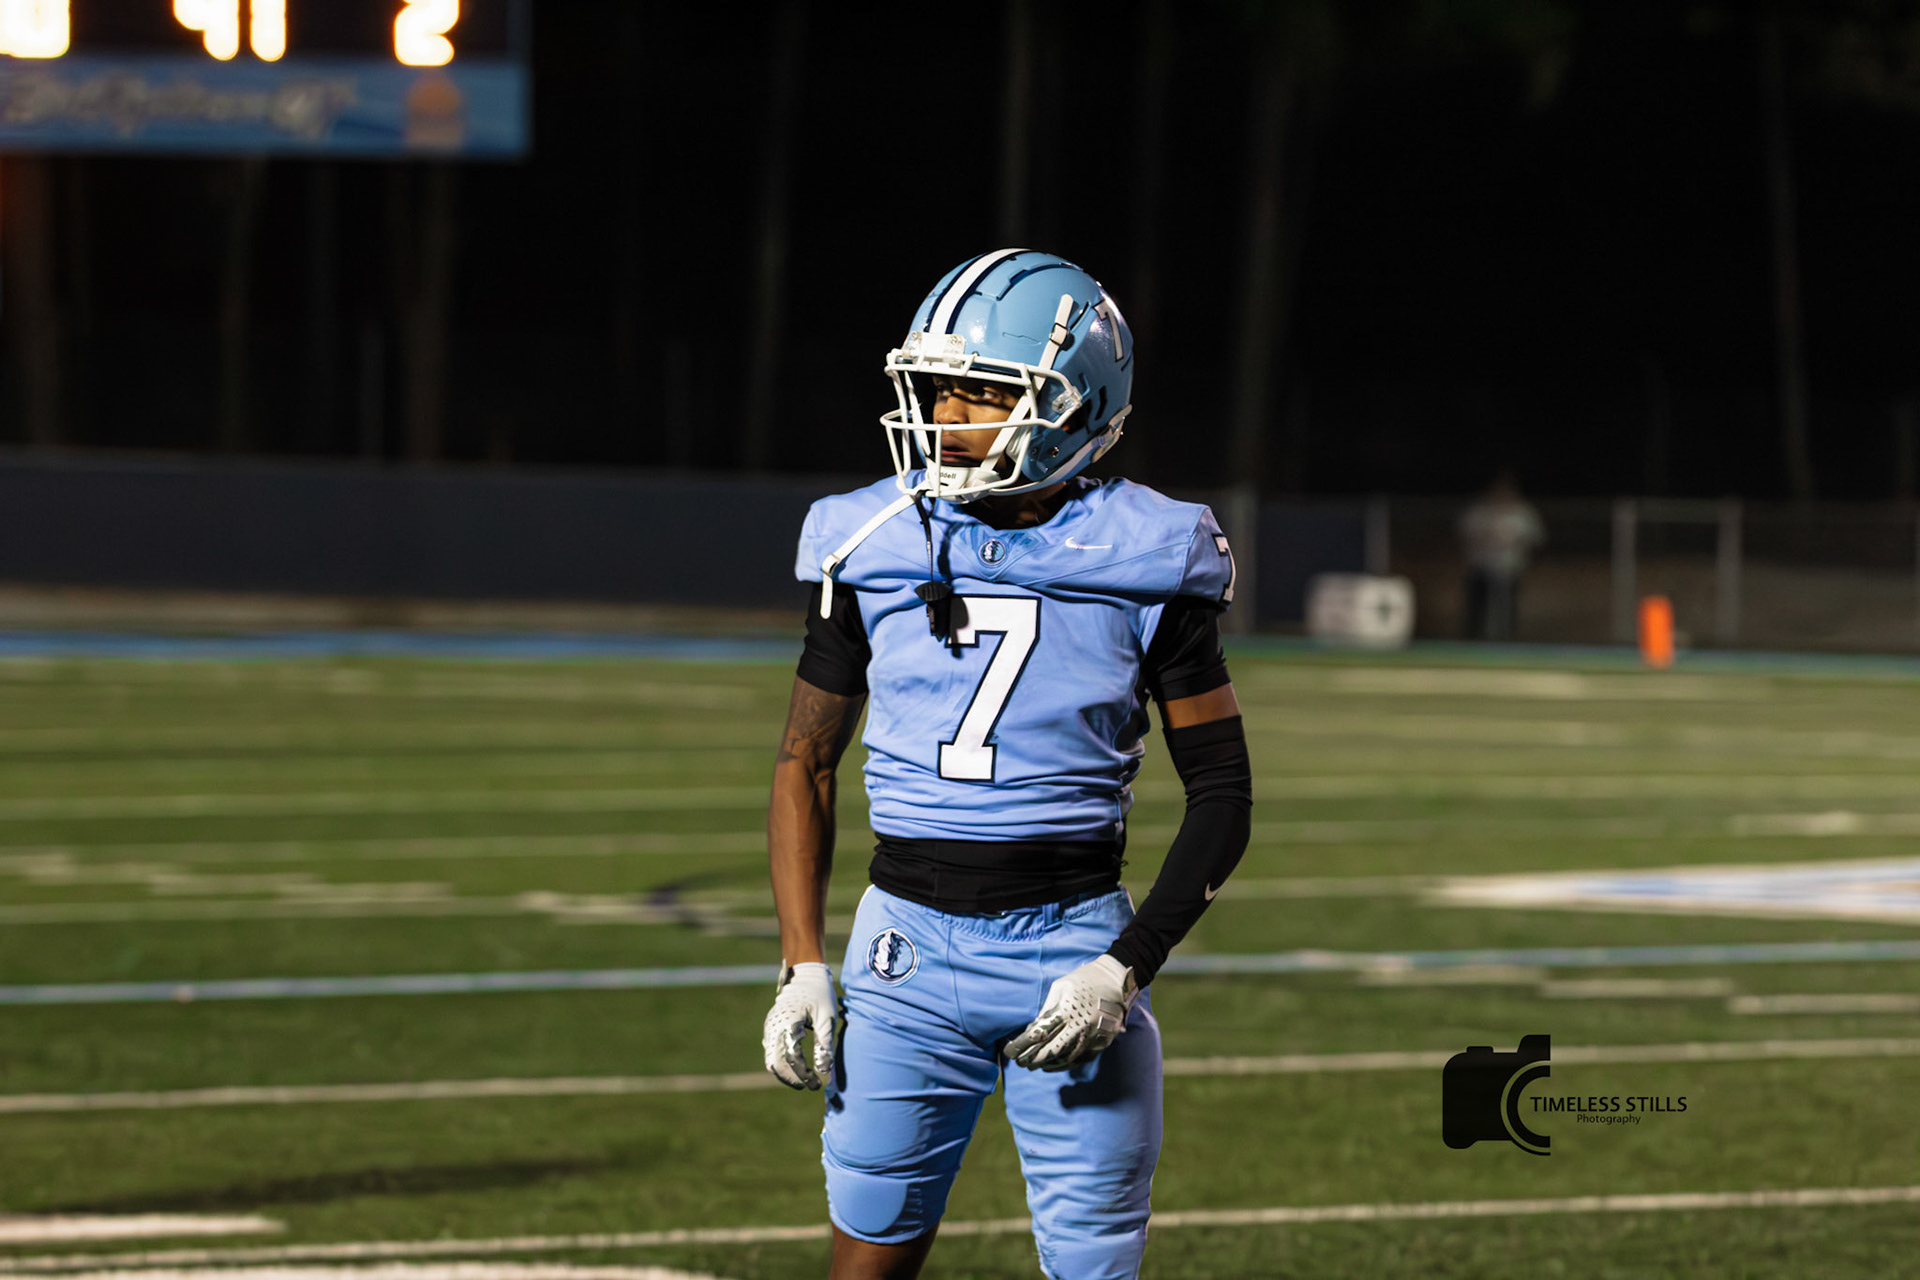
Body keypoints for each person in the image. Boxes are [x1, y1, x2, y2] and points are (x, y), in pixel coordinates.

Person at [760, 248, 1253, 1280]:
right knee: (866, 1249)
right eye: (938, 388)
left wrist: (1125, 964)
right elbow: (806, 758)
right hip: (902, 948)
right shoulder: (872, 539)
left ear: (1076, 404)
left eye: (983, 393)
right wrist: (803, 960)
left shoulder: (1148, 551)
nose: (946, 416)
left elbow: (1222, 791)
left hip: (1070, 939)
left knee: (1092, 1262)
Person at [1459, 470, 1545, 641]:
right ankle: (1472, 639)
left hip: (1510, 568)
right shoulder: (1480, 511)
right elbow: (1464, 532)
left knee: (1507, 607)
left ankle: (1507, 638)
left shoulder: (1522, 513)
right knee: (1477, 605)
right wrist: (1487, 536)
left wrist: (1516, 541)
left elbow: (1537, 538)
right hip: (1481, 567)